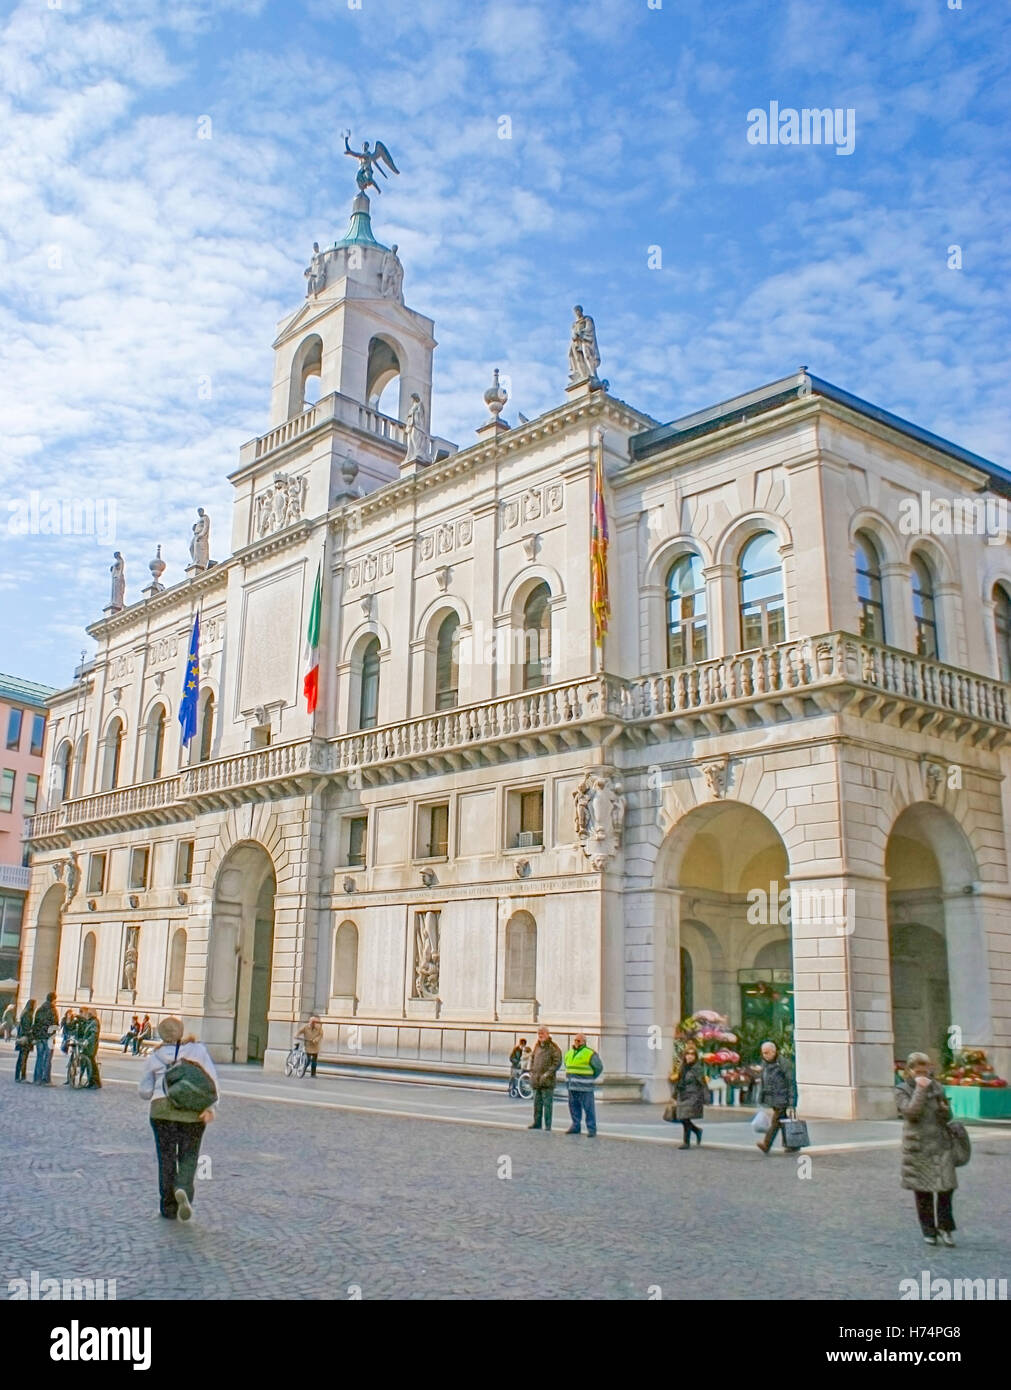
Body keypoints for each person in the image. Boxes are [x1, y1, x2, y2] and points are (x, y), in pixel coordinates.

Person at [139, 1016, 219, 1221]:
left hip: (161, 1112)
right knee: (189, 1155)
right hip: (192, 1113)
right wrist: (211, 1107)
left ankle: (168, 1207)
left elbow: (144, 1091)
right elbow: (211, 1080)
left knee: (166, 1158)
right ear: (181, 1031)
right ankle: (183, 1188)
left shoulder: (154, 1057)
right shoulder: (197, 1050)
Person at [896, 1051, 958, 1247]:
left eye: (926, 1070)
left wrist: (945, 1109)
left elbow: (948, 1117)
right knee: (923, 1192)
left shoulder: (937, 1087)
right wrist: (921, 1090)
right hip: (918, 1146)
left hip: (940, 1144)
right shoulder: (902, 1090)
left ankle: (946, 1228)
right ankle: (929, 1230)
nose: (923, 1074)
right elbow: (911, 1112)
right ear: (910, 1071)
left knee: (946, 1188)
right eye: (919, 1070)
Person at [755, 1040, 797, 1153]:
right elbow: (764, 1082)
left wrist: (792, 1103)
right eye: (763, 1053)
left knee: (776, 1121)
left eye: (767, 1052)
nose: (765, 1055)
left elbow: (791, 1083)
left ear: (774, 1051)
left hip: (782, 1098)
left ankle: (766, 1144)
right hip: (773, 1098)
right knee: (782, 1122)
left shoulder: (783, 1063)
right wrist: (762, 1097)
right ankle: (792, 1144)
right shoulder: (765, 1064)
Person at [564, 1032, 603, 1137]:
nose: (576, 1042)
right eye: (575, 1040)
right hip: (572, 1086)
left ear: (584, 1042)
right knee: (574, 1108)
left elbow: (598, 1067)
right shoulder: (569, 1052)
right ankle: (575, 1126)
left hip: (585, 1086)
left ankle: (591, 1129)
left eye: (579, 1040)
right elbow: (567, 1065)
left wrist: (590, 1078)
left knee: (589, 1109)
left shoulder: (589, 1053)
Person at [528, 1026, 562, 1131]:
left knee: (547, 1105)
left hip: (547, 1080)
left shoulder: (553, 1047)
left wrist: (548, 1073)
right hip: (536, 1079)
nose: (540, 1035)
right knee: (537, 1103)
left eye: (542, 1033)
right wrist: (532, 1071)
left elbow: (557, 1062)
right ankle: (537, 1123)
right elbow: (533, 1058)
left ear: (547, 1034)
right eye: (539, 1033)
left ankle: (548, 1125)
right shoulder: (537, 1046)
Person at [673, 1044, 707, 1148]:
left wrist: (703, 1097)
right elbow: (679, 1082)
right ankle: (697, 1130)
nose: (690, 1056)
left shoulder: (697, 1068)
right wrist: (674, 1096)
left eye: (692, 1054)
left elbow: (702, 1083)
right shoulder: (683, 1067)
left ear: (695, 1056)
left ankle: (686, 1142)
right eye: (688, 1054)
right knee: (683, 1118)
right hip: (683, 1094)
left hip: (693, 1095)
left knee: (684, 1116)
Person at [32, 992, 59, 1085]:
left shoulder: (39, 1009)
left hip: (39, 1037)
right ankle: (46, 1079)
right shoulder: (53, 1010)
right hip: (49, 1038)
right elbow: (55, 1025)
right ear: (54, 999)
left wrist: (36, 1035)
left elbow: (35, 1024)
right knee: (47, 1059)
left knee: (39, 1058)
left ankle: (37, 1079)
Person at [79, 1007, 102, 1089]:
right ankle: (91, 1082)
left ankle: (95, 1082)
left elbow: (93, 1034)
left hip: (91, 1046)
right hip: (88, 1046)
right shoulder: (90, 1022)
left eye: (88, 1013)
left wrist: (87, 1041)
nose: (87, 1014)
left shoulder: (94, 1022)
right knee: (90, 1064)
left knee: (92, 1064)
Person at [14, 1000, 35, 1082]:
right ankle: (21, 1077)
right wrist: (31, 1035)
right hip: (25, 1040)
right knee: (23, 1059)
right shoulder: (27, 1014)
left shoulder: (24, 1013)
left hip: (22, 1038)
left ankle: (18, 1077)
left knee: (21, 1059)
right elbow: (27, 1028)